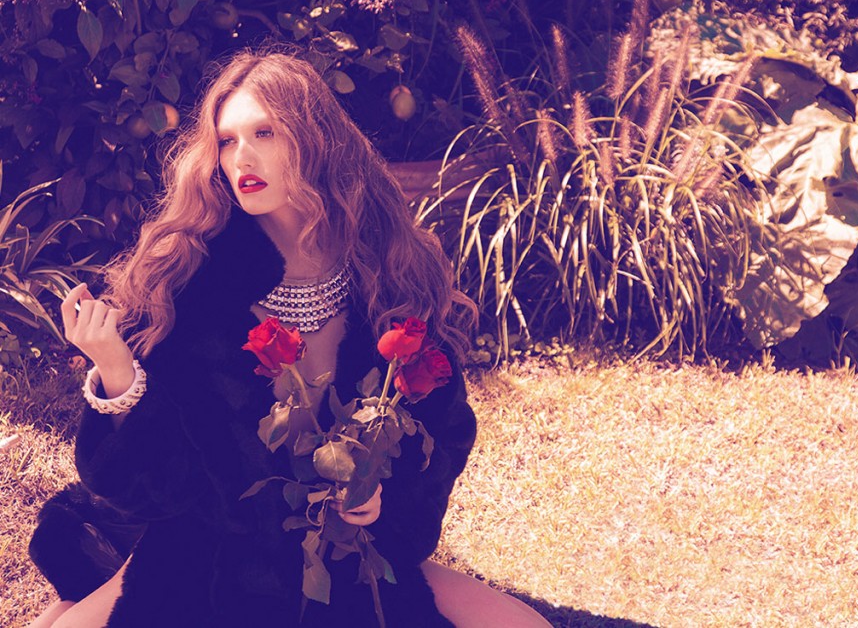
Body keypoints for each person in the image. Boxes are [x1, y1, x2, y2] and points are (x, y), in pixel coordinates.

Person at [28, 48, 550, 628]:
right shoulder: (188, 283)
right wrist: (116, 373)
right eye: (227, 141)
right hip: (209, 564)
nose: (242, 157)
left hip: (351, 563)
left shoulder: (387, 271)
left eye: (264, 133)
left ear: (315, 139)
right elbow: (151, 489)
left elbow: (442, 431)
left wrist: (385, 500)